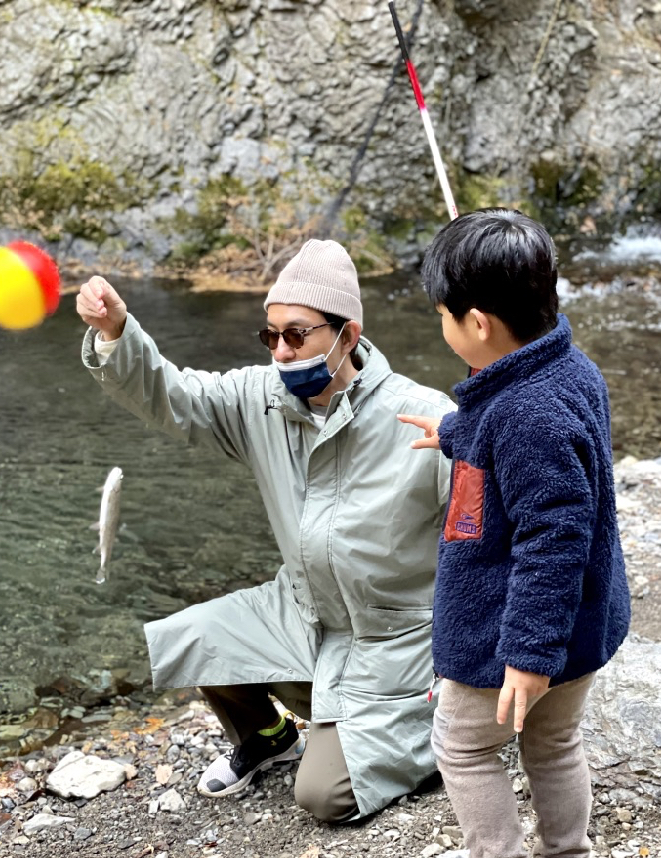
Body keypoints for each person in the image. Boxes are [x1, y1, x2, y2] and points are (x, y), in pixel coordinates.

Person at [77, 239, 453, 823]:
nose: (280, 351)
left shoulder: (425, 416)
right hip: (303, 612)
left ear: (348, 335)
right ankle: (271, 736)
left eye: (297, 335)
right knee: (196, 638)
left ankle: (439, 729)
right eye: (270, 335)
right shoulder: (261, 398)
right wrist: (117, 333)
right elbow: (174, 398)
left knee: (323, 797)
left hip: (393, 640)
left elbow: (497, 539)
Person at [399, 209, 630, 858]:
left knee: (462, 749)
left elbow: (553, 533)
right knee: (555, 743)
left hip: (516, 635)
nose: (441, 329)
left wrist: (526, 655)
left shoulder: (524, 411)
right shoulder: (564, 368)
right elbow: (516, 441)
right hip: (583, 628)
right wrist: (455, 434)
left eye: (442, 317)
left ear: (477, 322)